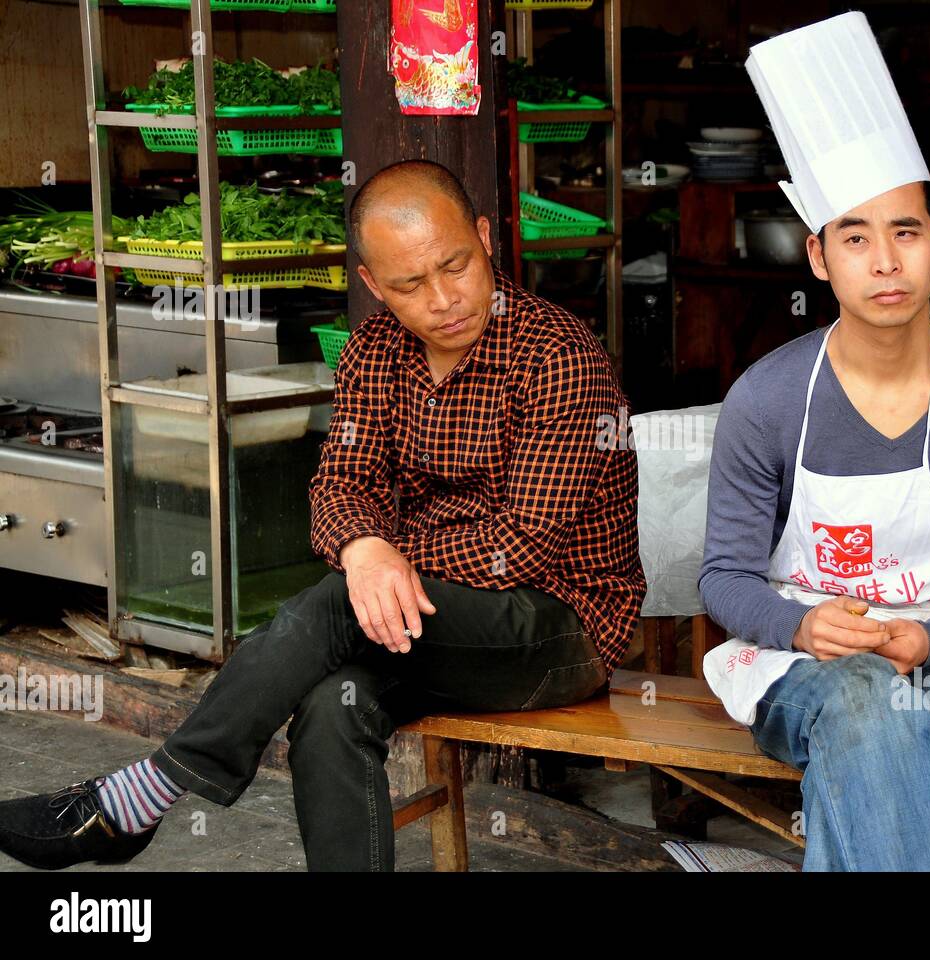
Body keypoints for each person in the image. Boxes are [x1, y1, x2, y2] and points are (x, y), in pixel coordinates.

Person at [0, 160, 645, 872]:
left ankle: (143, 794)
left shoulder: (558, 356)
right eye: (408, 284)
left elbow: (520, 546)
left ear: (485, 237)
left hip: (558, 627)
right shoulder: (373, 351)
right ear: (372, 283)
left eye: (455, 265)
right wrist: (367, 547)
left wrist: (379, 556)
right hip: (431, 620)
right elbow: (340, 484)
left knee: (342, 597)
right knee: (336, 704)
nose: (443, 298)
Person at [698, 13, 930, 871]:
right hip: (798, 668)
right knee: (859, 700)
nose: (885, 261)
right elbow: (724, 578)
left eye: (905, 232)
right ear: (818, 258)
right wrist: (804, 625)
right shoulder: (768, 398)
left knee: (872, 740)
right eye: (855, 239)